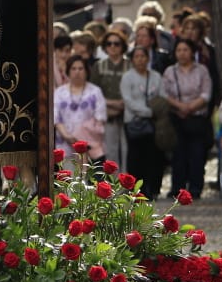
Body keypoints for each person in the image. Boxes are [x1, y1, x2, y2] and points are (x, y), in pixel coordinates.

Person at [162, 36, 212, 199]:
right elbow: (164, 94)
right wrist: (179, 106)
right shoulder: (170, 71)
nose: (182, 54)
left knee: (197, 154)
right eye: (179, 50)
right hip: (177, 117)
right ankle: (177, 187)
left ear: (192, 52)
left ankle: (196, 188)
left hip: (197, 118)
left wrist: (190, 107)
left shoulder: (201, 70)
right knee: (178, 155)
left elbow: (206, 94)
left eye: (185, 50)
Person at [121, 44, 166, 199]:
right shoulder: (127, 77)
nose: (140, 60)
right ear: (132, 60)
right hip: (133, 122)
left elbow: (162, 96)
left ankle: (151, 189)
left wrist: (154, 111)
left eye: (143, 56)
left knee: (152, 157)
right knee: (135, 157)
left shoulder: (156, 76)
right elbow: (128, 100)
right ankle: (134, 190)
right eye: (137, 57)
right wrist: (147, 111)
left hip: (153, 123)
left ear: (148, 58)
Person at [55, 53, 108, 161]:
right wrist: (67, 136)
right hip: (65, 146)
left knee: (91, 177)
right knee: (68, 177)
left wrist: (79, 137)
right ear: (68, 71)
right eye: (73, 68)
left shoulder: (95, 91)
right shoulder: (59, 92)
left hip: (90, 146)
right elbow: (55, 117)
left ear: (86, 71)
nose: (77, 72)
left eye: (80, 68)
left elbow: (100, 117)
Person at [91, 28, 130, 166]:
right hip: (107, 114)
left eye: (117, 43)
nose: (112, 46)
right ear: (105, 46)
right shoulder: (99, 66)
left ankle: (127, 184)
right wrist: (113, 104)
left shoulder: (130, 65)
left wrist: (124, 104)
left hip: (128, 114)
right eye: (109, 43)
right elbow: (93, 92)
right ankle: (114, 185)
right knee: (111, 153)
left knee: (127, 151)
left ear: (123, 46)